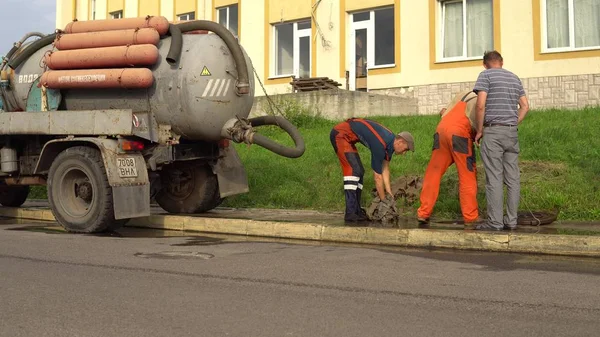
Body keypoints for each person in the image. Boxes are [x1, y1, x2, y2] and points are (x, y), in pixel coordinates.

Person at [473, 50, 529, 231]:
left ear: (484, 64)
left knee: (494, 177)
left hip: (493, 131)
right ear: (502, 62)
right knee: (513, 178)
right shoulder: (514, 78)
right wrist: (513, 122)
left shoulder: (485, 76)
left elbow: (480, 104)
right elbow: (525, 106)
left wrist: (480, 130)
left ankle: (495, 222)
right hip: (511, 133)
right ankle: (511, 221)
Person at [329, 118, 415, 224]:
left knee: (359, 171)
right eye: (405, 149)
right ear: (400, 142)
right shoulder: (381, 144)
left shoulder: (390, 142)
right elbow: (377, 177)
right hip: (340, 134)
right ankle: (350, 213)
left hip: (347, 137)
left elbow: (385, 168)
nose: (404, 153)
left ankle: (356, 210)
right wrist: (384, 201)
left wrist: (389, 193)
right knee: (353, 170)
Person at [417, 89, 479, 227]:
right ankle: (471, 217)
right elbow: (479, 125)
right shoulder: (481, 99)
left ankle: (423, 212)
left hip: (441, 130)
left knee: (433, 172)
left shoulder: (462, 94)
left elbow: (443, 112)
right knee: (467, 175)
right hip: (459, 133)